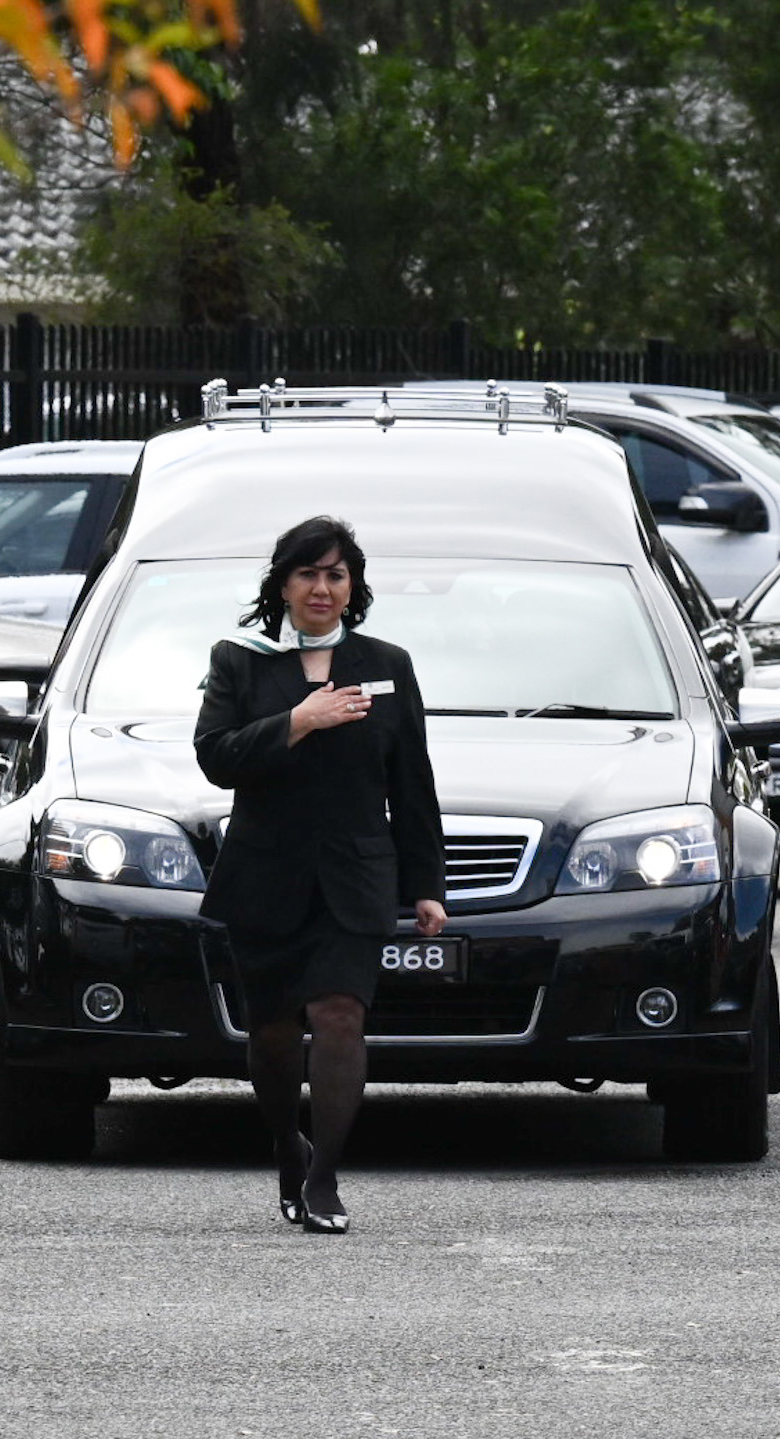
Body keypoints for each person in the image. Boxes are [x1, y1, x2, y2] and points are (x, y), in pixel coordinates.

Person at [194, 516, 447, 1235]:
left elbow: (413, 782)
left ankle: (326, 1173)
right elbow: (216, 755)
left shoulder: (387, 664)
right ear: (282, 583)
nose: (322, 587)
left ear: (353, 587)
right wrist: (299, 720)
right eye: (309, 573)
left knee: (340, 1013)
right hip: (264, 876)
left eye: (337, 574)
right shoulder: (240, 661)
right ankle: (286, 1143)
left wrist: (428, 883)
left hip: (356, 876)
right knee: (273, 1032)